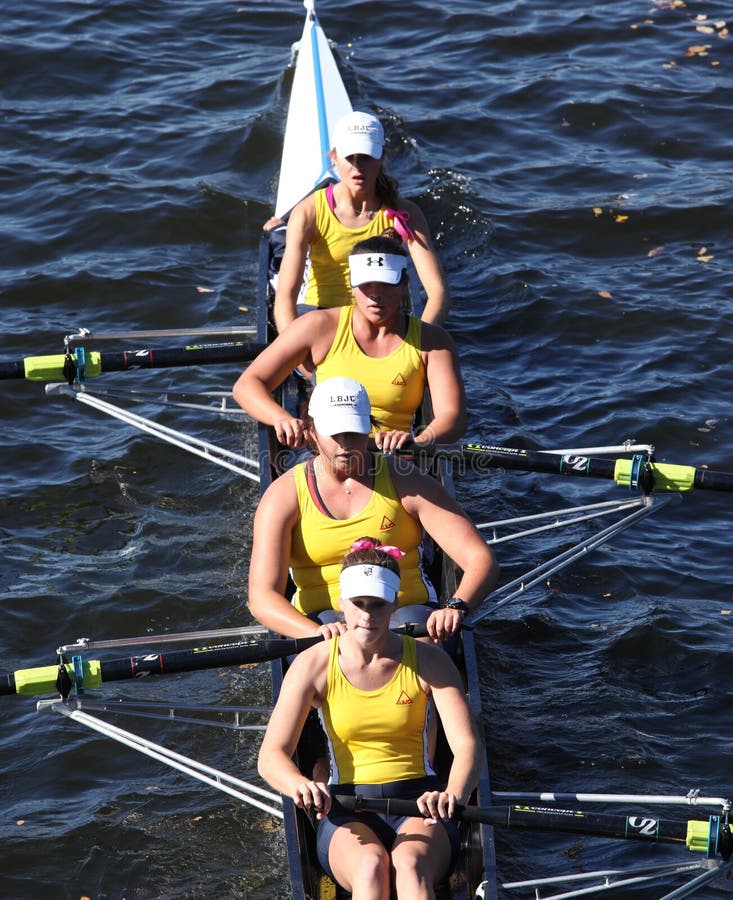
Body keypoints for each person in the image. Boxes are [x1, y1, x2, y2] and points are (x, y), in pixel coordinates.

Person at [257, 542, 483, 899]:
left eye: (377, 604)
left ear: (394, 604)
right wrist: (299, 785)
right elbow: (271, 757)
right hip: (345, 808)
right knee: (370, 866)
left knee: (410, 866)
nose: (366, 615)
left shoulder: (429, 660)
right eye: (358, 603)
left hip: (420, 802)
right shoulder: (313, 664)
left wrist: (453, 794)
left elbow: (468, 746)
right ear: (341, 602)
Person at [247, 376, 498, 642]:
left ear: (369, 429)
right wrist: (313, 632)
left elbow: (481, 559)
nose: (345, 443)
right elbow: (262, 597)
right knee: (329, 657)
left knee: (420, 648)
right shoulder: (284, 495)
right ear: (311, 432)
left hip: (406, 614)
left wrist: (456, 606)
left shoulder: (405, 480)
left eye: (354, 432)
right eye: (335, 433)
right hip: (326, 624)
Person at [233, 235, 465, 451]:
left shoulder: (433, 341)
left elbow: (452, 418)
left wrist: (416, 443)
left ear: (404, 283)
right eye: (366, 284)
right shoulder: (318, 326)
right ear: (352, 284)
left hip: (394, 458)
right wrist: (281, 418)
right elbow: (247, 385)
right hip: (327, 455)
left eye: (385, 284)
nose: (375, 295)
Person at [269, 110, 450, 333]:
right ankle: (278, 230)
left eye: (366, 157)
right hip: (323, 316)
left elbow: (438, 293)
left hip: (380, 318)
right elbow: (285, 297)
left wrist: (420, 340)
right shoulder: (308, 212)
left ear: (381, 157)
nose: (357, 167)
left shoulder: (405, 213)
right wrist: (294, 347)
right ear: (334, 157)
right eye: (350, 157)